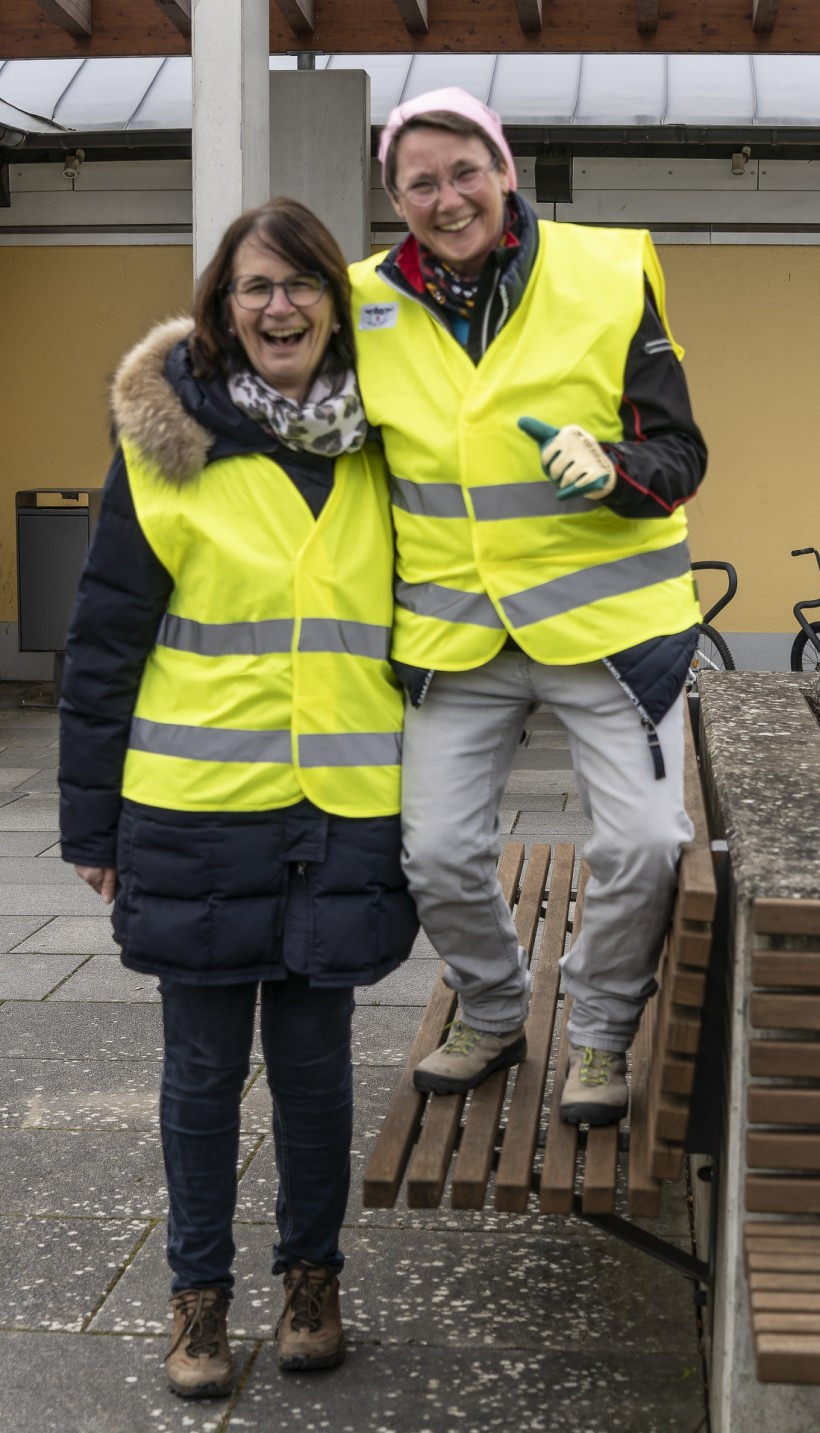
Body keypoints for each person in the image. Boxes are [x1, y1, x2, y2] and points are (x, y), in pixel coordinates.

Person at [58, 197, 417, 1399]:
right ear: (222, 306)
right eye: (255, 286)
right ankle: (197, 1299)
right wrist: (90, 824)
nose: (280, 306)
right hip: (196, 808)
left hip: (343, 809)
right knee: (202, 1076)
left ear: (337, 305)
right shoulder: (169, 448)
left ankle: (312, 1280)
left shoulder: (387, 444)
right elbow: (103, 642)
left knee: (316, 1074)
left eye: (302, 283)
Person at [349, 88, 707, 1127]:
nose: (447, 197)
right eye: (420, 182)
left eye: (465, 171)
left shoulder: (606, 270)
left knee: (643, 843)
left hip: (611, 634)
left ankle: (599, 1031)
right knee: (434, 853)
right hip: (454, 635)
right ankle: (494, 1010)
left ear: (504, 171)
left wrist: (615, 468)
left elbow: (681, 454)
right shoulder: (359, 300)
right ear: (396, 199)